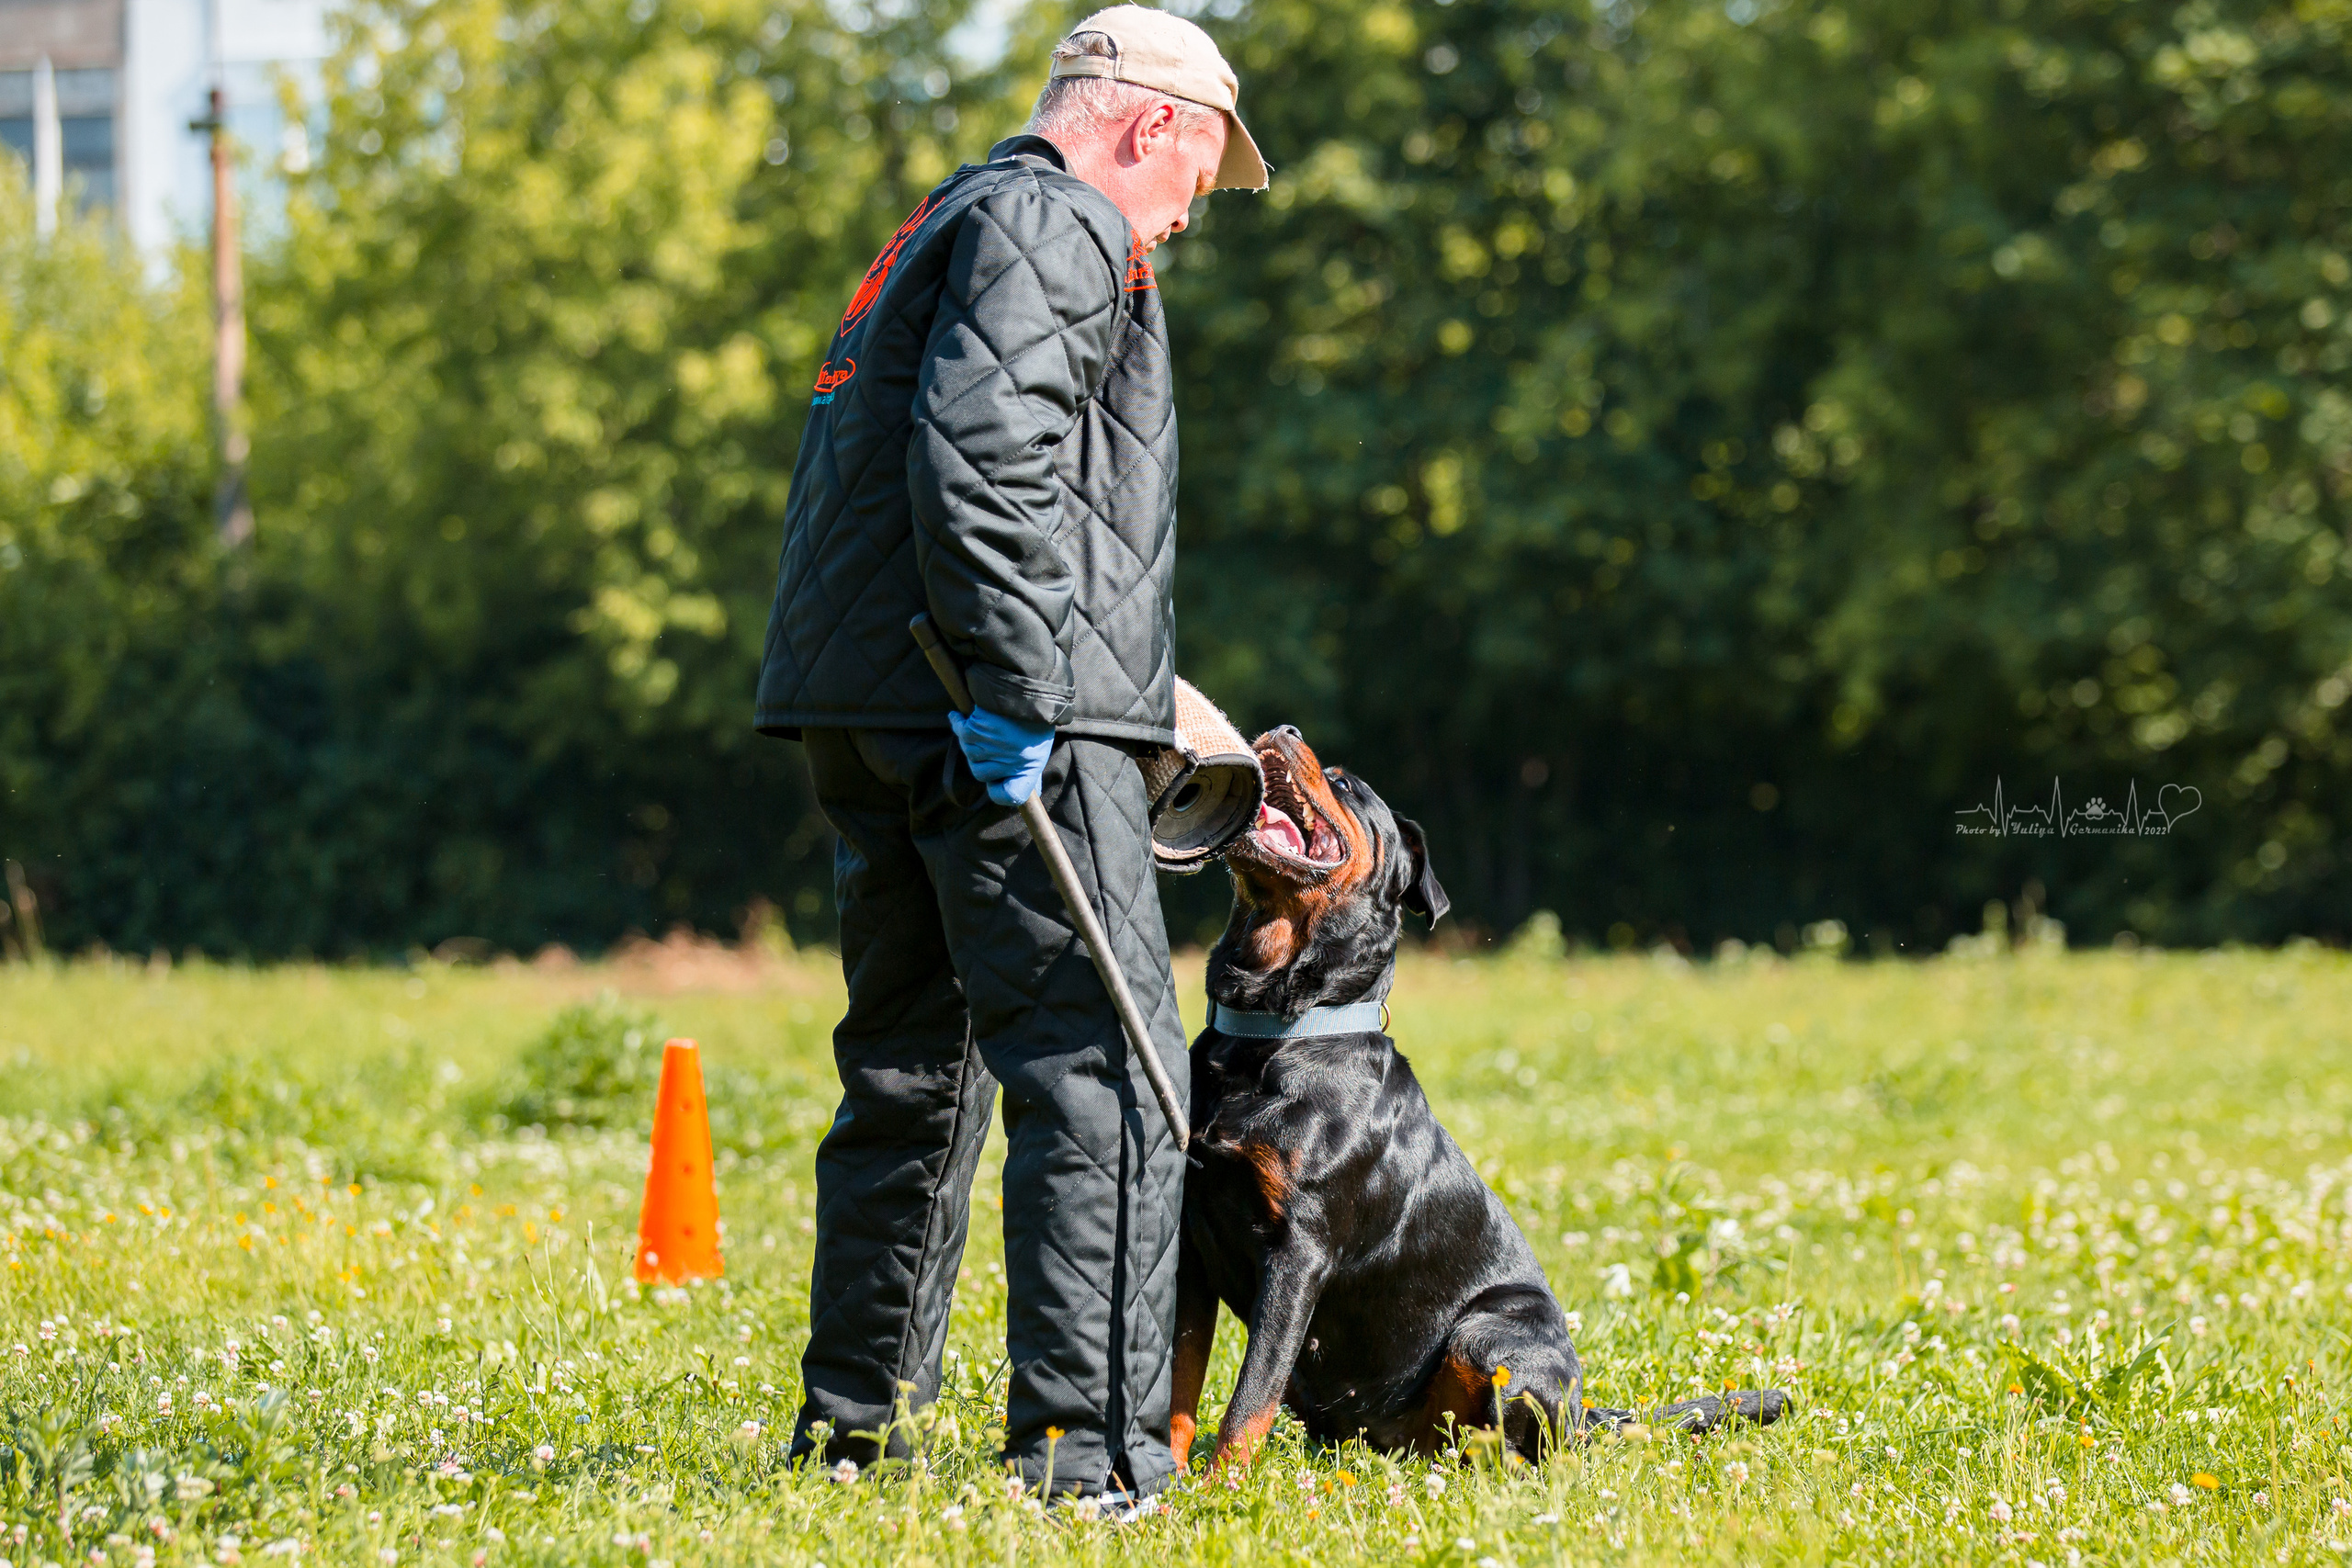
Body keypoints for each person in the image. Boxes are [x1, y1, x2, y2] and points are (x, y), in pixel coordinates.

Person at [752, 6, 1267, 1501]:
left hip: (875, 706)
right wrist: (1029, 685)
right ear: (1150, 123)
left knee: (913, 1075)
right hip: (991, 713)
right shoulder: (1059, 223)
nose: (1187, 218)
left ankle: (854, 1439)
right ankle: (1088, 1461)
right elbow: (986, 458)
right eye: (1197, 180)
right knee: (1103, 1070)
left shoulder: (949, 218)